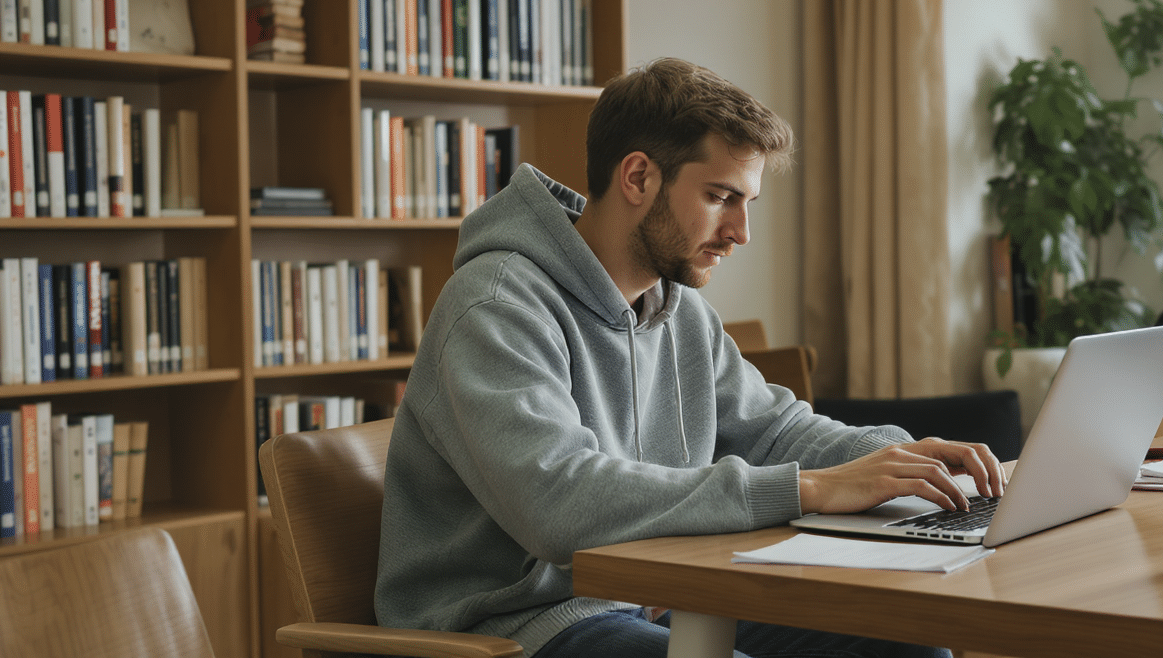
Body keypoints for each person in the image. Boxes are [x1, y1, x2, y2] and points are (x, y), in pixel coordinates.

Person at [376, 57, 1006, 658]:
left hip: (651, 600)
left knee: (904, 638)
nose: (740, 233)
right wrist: (809, 490)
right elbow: (557, 503)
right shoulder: (495, 305)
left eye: (747, 203)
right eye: (720, 197)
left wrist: (909, 461)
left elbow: (775, 431)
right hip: (513, 628)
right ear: (637, 177)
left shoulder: (678, 310)